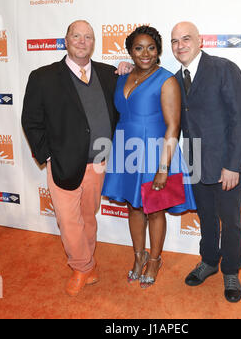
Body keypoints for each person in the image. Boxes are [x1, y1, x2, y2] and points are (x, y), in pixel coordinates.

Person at [21, 20, 119, 297]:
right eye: (76, 35)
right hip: (62, 164)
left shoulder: (108, 74)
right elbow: (31, 120)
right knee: (67, 219)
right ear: (66, 40)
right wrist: (48, 155)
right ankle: (82, 266)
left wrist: (127, 68)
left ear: (93, 43)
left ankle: (86, 263)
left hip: (98, 163)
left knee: (88, 216)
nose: (81, 40)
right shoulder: (43, 77)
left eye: (87, 36)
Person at [101, 26, 196, 289]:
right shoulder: (123, 77)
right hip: (126, 149)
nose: (145, 53)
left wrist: (164, 167)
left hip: (155, 153)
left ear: (158, 51)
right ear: (130, 51)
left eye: (151, 48)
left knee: (154, 211)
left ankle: (154, 260)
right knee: (133, 207)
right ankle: (138, 255)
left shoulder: (166, 80)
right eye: (139, 48)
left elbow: (173, 126)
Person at [171, 22, 241, 303]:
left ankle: (230, 270)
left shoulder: (223, 69)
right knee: (205, 217)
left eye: (186, 39)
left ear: (200, 41)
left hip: (226, 165)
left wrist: (232, 165)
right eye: (175, 41)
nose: (180, 45)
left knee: (230, 221)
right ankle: (208, 261)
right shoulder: (174, 79)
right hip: (195, 163)